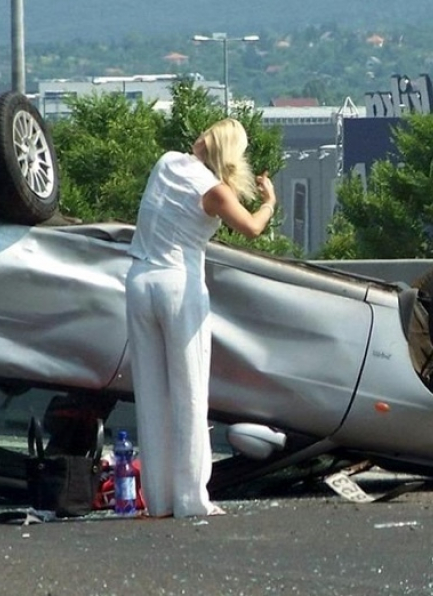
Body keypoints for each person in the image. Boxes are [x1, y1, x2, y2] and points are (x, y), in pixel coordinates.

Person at [125, 118, 277, 518]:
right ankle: (192, 498)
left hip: (139, 280)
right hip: (180, 284)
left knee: (151, 393)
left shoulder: (167, 162)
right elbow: (252, 229)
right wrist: (269, 202)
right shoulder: (217, 193)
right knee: (189, 391)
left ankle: (157, 498)